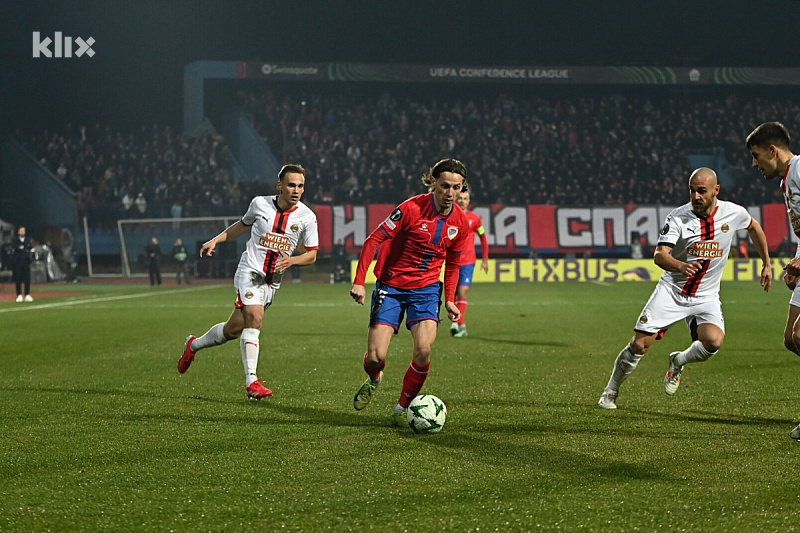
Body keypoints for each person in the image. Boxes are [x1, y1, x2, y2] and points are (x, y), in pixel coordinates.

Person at [597, 167, 772, 410]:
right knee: (639, 345)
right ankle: (610, 391)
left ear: (716, 191)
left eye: (702, 191)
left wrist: (767, 263)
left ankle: (678, 360)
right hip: (672, 291)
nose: (696, 196)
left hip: (706, 295)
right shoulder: (678, 218)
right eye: (692, 191)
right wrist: (680, 265)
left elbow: (754, 227)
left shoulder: (733, 213)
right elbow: (659, 256)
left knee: (713, 342)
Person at [177, 164, 318, 399]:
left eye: (300, 186)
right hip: (250, 270)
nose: (296, 190)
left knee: (232, 330)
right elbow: (242, 226)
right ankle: (252, 381)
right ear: (279, 185)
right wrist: (216, 240)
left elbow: (312, 254)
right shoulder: (259, 204)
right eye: (291, 185)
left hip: (273, 282)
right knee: (256, 316)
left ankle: (193, 345)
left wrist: (292, 261)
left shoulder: (307, 217)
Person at [349, 158, 470, 425]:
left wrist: (449, 299)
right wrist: (360, 280)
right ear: (433, 183)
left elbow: (454, 264)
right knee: (376, 358)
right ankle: (374, 376)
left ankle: (402, 409)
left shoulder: (461, 222)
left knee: (424, 350)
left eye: (457, 188)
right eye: (445, 186)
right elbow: (374, 240)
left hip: (426, 290)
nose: (450, 193)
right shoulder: (411, 208)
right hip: (391, 287)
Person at [745, 122, 800, 440]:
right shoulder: (787, 180)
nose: (754, 164)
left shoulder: (799, 169)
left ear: (772, 151)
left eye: (756, 156)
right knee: (792, 340)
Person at [449, 189, 489, 338]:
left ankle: (455, 323)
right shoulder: (449, 217)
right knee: (452, 295)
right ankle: (462, 326)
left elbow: (483, 238)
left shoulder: (475, 219)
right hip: (452, 261)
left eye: (465, 199)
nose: (462, 201)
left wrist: (485, 259)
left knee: (463, 292)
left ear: (468, 201)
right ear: (455, 199)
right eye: (460, 198)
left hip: (468, 261)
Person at [11, 226, 34, 302]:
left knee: (27, 279)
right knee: (18, 279)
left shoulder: (28, 240)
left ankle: (27, 294)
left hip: (26, 262)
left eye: (23, 231)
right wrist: (21, 248)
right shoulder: (15, 240)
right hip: (18, 262)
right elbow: (15, 248)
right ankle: (19, 294)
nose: (22, 232)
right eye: (21, 231)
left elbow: (29, 247)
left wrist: (23, 248)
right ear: (18, 232)